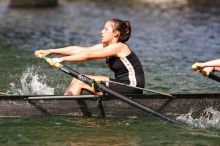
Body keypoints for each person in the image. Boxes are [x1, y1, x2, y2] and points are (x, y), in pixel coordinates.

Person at [35, 18, 145, 96]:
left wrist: (62, 59)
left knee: (80, 81)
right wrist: (50, 51)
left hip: (132, 88)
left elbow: (88, 56)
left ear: (115, 33)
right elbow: (80, 50)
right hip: (121, 83)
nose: (101, 32)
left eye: (105, 29)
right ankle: (67, 101)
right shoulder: (107, 46)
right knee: (77, 78)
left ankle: (64, 107)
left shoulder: (119, 47)